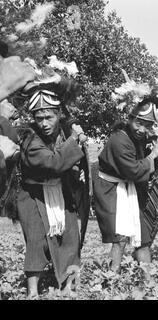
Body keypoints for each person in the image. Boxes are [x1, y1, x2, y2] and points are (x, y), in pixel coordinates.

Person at [17, 81, 87, 297]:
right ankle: (32, 292)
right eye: (39, 118)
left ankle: (67, 287)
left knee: (70, 238)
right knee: (36, 241)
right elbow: (54, 163)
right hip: (33, 195)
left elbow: (70, 163)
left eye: (49, 117)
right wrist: (75, 140)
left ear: (59, 114)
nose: (44, 123)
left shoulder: (65, 134)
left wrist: (77, 173)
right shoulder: (29, 139)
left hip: (62, 192)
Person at [94, 94, 158, 272]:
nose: (142, 129)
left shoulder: (139, 138)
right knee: (120, 238)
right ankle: (111, 280)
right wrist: (153, 155)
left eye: (147, 125)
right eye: (139, 123)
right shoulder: (119, 140)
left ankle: (148, 282)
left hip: (129, 188)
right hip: (112, 190)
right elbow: (133, 171)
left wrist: (150, 145)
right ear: (129, 118)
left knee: (142, 237)